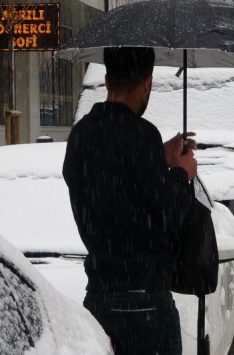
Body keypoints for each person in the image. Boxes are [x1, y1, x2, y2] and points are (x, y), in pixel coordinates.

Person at [63, 47, 203, 355]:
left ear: (107, 79)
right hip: (146, 302)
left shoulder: (81, 135)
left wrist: (157, 158)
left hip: (99, 298)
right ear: (147, 83)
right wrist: (182, 174)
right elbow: (169, 211)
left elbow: (113, 185)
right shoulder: (142, 135)